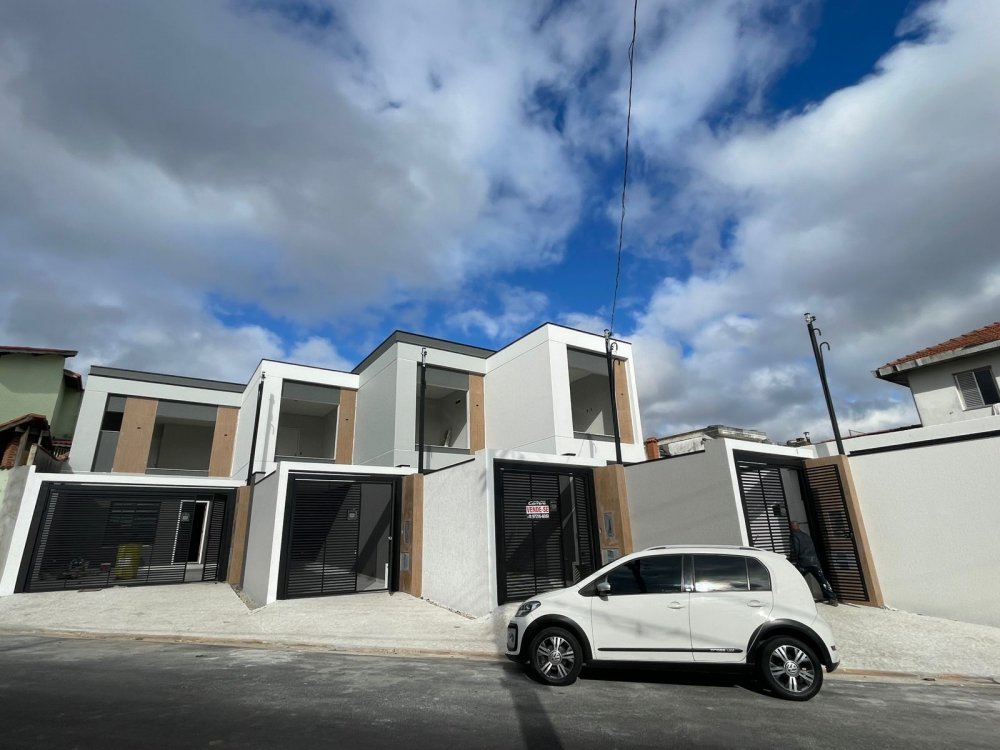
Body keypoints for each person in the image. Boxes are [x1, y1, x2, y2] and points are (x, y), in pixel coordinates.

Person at [789, 521, 838, 606]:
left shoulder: (794, 536)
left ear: (791, 527)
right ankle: (832, 598)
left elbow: (795, 550)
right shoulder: (806, 535)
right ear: (798, 526)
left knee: (795, 579)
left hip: (803, 563)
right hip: (814, 562)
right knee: (822, 580)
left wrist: (791, 559)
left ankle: (794, 598)